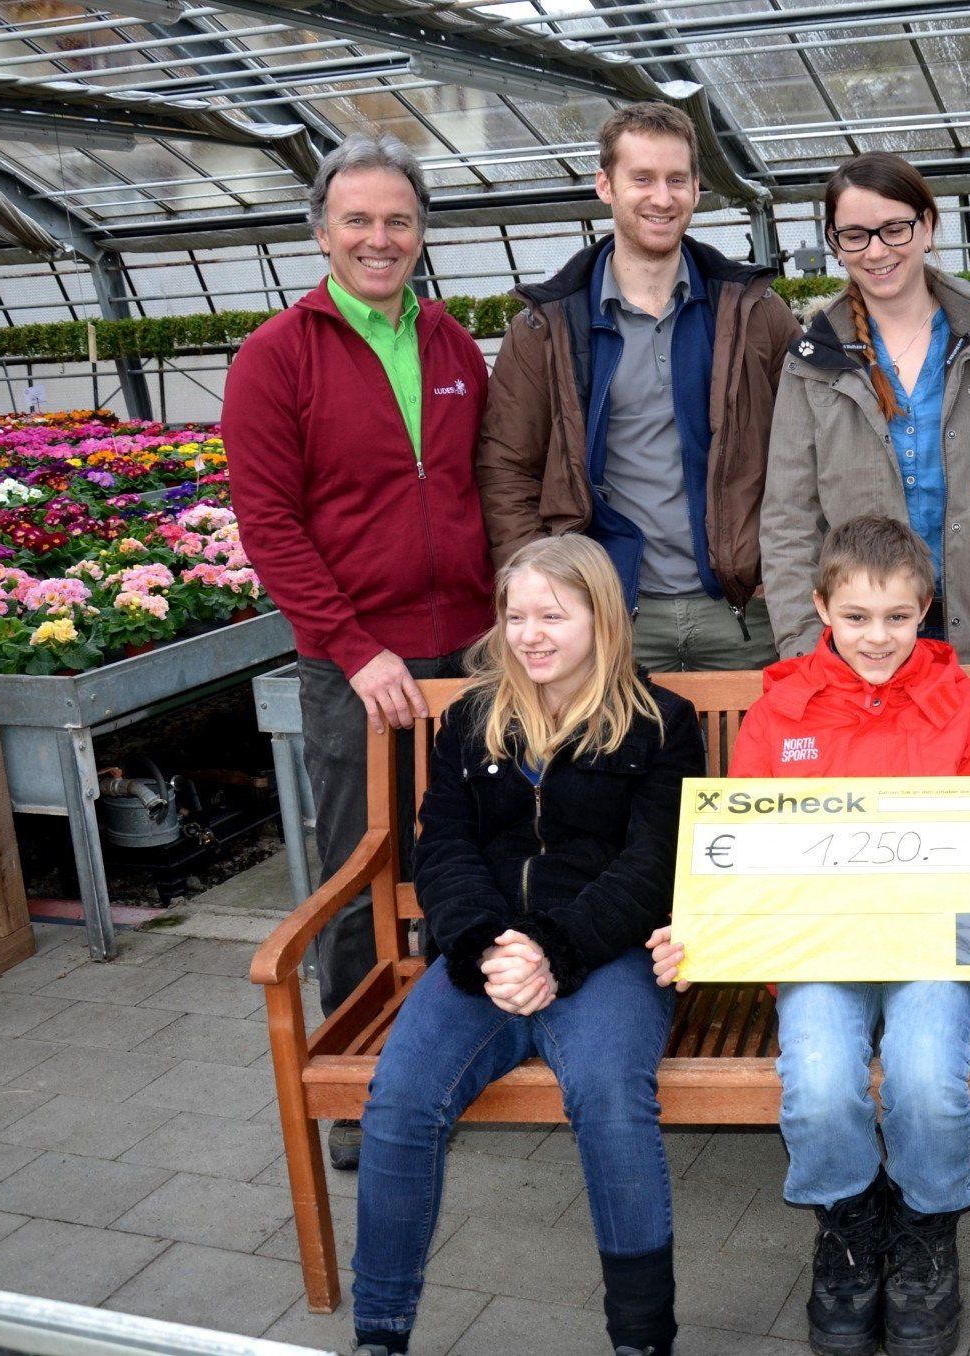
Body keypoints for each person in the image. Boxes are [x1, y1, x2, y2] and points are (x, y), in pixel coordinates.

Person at [649, 516, 970, 1356]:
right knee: (816, 1080)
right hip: (817, 945)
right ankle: (848, 1220)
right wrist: (700, 930)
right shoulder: (780, 714)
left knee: (925, 1076)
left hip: (932, 946)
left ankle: (926, 1223)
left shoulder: (969, 711)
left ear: (925, 610)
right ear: (821, 608)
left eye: (896, 617)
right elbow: (741, 851)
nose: (876, 636)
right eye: (855, 617)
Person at [349, 535, 705, 1356]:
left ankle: (642, 1339)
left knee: (611, 1098)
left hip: (605, 953)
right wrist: (486, 947)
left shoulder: (661, 723)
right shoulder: (473, 720)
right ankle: (380, 1331)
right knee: (400, 1100)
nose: (530, 635)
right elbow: (442, 846)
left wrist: (550, 947)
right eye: (516, 617)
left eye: (553, 616)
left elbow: (654, 865)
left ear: (601, 618)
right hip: (485, 957)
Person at [225, 132, 495, 1170]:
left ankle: (451, 1056)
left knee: (463, 861)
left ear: (420, 234)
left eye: (398, 221)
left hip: (466, 654)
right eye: (358, 220)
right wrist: (350, 647)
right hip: (359, 666)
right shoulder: (276, 356)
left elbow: (474, 491)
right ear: (322, 232)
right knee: (360, 870)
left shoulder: (452, 345)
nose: (379, 238)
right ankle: (354, 1083)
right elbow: (269, 524)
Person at [476, 101, 801, 672]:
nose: (662, 197)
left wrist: (787, 575)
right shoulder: (547, 328)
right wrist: (545, 591)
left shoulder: (755, 313)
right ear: (605, 185)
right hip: (609, 617)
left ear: (697, 189)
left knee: (752, 736)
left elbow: (809, 448)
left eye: (676, 180)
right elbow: (507, 469)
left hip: (745, 613)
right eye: (642, 178)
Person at [763, 151, 970, 701]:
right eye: (854, 235)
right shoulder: (813, 361)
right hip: (861, 647)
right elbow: (789, 520)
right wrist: (807, 649)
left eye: (894, 228)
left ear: (927, 227)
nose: (876, 251)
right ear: (835, 244)